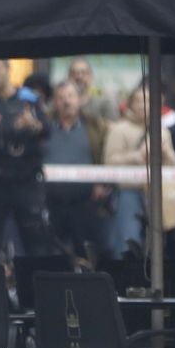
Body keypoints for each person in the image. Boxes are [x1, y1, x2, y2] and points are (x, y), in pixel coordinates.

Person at [0, 58, 54, 263]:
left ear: (8, 70)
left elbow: (47, 130)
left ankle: (33, 282)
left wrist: (34, 125)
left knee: (35, 242)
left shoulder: (28, 99)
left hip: (26, 179)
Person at [101, 83, 175, 259]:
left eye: (148, 101)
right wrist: (137, 156)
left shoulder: (163, 132)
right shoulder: (119, 130)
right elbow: (108, 162)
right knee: (128, 239)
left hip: (157, 194)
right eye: (138, 101)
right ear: (130, 104)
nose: (143, 104)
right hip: (128, 192)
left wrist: (167, 155)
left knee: (159, 243)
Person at [43, 80, 107, 262]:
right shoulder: (44, 129)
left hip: (85, 201)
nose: (66, 101)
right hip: (50, 202)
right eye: (61, 97)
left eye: (70, 96)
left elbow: (104, 156)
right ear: (55, 103)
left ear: (79, 100)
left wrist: (102, 183)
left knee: (87, 254)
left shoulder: (95, 128)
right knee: (50, 256)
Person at [68, 58, 119, 124]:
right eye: (74, 73)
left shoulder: (105, 99)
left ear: (91, 76)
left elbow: (114, 125)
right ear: (68, 77)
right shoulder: (61, 100)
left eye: (83, 73)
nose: (79, 76)